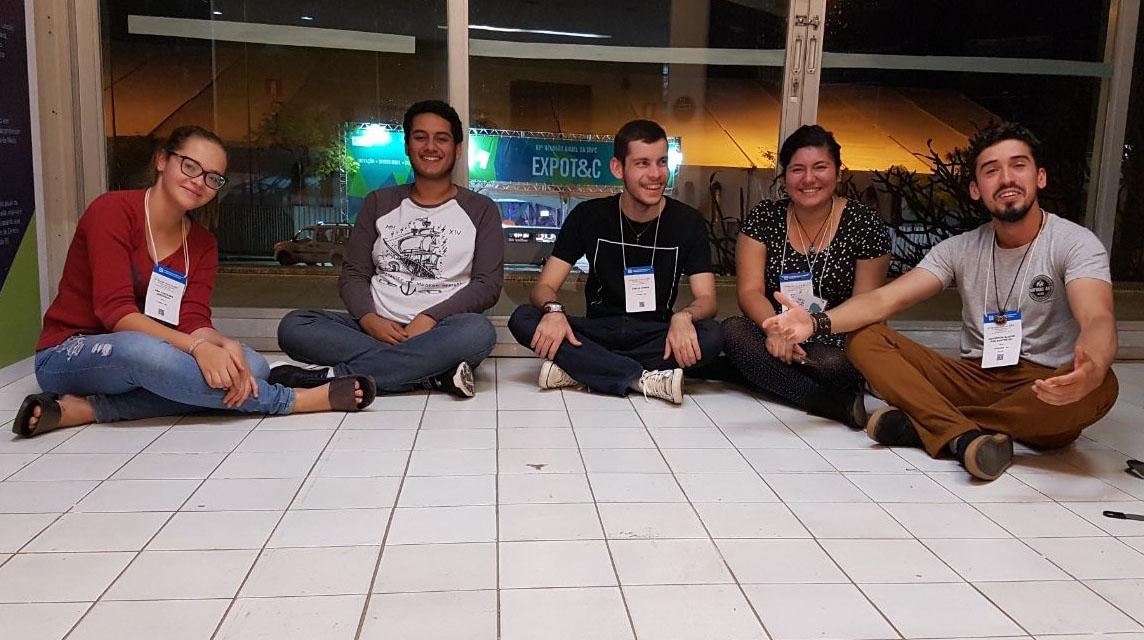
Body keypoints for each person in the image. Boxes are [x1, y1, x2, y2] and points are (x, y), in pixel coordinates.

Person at [763, 122, 1119, 480]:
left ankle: (932, 424)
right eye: (991, 171)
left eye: (1018, 165)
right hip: (974, 376)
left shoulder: (1074, 242)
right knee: (865, 337)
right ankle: (965, 436)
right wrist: (814, 322)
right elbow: (885, 299)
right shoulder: (959, 248)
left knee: (1103, 386)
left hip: (1043, 385)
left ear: (1040, 177)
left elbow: (1097, 317)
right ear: (976, 189)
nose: (1006, 179)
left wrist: (1091, 367)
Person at [14, 126, 375, 437]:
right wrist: (197, 348)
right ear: (162, 160)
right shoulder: (111, 211)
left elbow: (192, 319)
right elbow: (116, 313)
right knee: (141, 350)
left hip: (160, 352)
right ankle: (291, 400)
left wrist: (220, 342)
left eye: (212, 178)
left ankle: (91, 409)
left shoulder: (201, 243)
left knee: (252, 365)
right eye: (190, 166)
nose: (198, 181)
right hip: (73, 352)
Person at [273, 100, 501, 398]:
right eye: (420, 137)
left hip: (441, 330)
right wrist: (369, 319)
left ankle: (330, 377)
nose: (430, 147)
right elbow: (354, 273)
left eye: (441, 139)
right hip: (375, 328)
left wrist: (430, 317)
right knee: (295, 326)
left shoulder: (481, 209)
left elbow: (487, 286)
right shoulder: (378, 202)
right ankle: (432, 374)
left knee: (478, 332)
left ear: (457, 149)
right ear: (407, 146)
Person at [507, 119, 722, 404]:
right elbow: (544, 287)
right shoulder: (588, 216)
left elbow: (707, 299)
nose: (656, 174)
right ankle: (639, 378)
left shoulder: (688, 222)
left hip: (655, 333)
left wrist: (684, 317)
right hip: (598, 331)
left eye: (662, 162)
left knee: (712, 335)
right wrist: (554, 311)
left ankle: (583, 369)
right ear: (618, 168)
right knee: (524, 317)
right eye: (642, 163)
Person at [722, 125, 891, 427]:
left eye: (820, 167)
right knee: (733, 331)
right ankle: (829, 403)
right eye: (797, 169)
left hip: (836, 338)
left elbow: (866, 306)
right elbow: (749, 291)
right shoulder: (765, 217)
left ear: (839, 172)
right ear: (785, 176)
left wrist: (813, 328)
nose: (809, 179)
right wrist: (775, 330)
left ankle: (758, 373)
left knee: (834, 364)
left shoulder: (864, 223)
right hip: (774, 332)